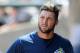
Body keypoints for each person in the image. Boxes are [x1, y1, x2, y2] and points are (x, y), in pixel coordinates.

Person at [7, 1, 73, 53]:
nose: (44, 22)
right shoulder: (22, 43)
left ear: (56, 22)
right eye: (42, 17)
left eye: (49, 18)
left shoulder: (65, 44)